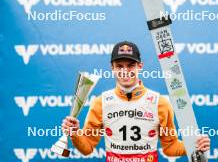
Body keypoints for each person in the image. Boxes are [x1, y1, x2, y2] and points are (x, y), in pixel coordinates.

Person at [62, 41, 210, 162]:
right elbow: (87, 148)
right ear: (112, 68)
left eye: (130, 65)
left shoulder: (160, 103)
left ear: (140, 66)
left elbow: (170, 147)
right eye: (119, 66)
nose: (125, 71)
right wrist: (74, 133)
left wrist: (194, 145)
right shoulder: (101, 103)